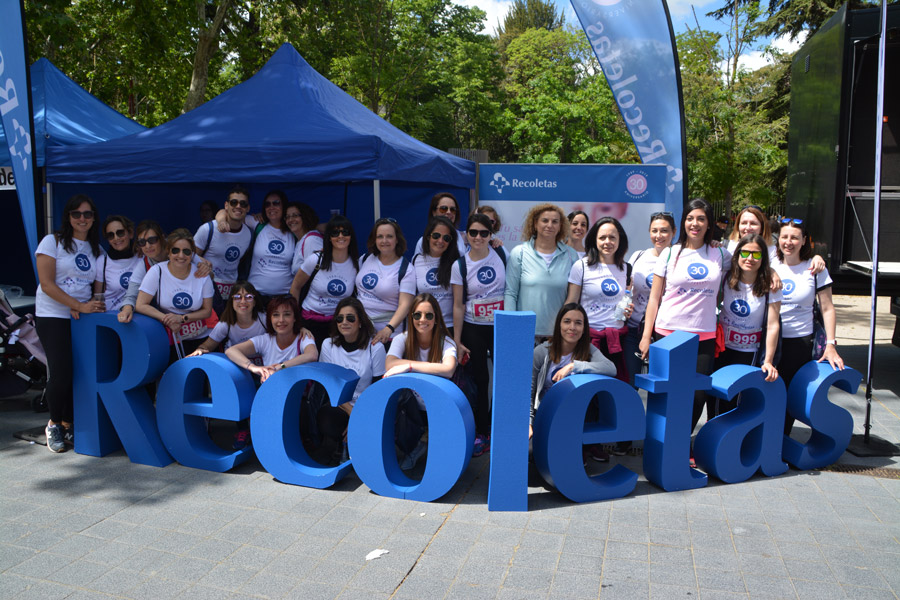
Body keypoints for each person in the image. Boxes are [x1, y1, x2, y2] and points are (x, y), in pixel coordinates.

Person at [639, 199, 730, 462]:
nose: (695, 223)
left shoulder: (720, 254)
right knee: (665, 394)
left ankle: (680, 442)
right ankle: (662, 443)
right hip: (667, 334)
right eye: (691, 218)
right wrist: (646, 336)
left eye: (701, 218)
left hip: (703, 335)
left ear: (709, 224)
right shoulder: (669, 253)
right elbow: (654, 298)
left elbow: (752, 263)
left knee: (697, 395)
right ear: (684, 222)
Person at [34, 194, 105, 452]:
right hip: (53, 315)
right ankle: (53, 423)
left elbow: (97, 291)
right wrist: (77, 305)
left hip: (82, 319)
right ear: (68, 217)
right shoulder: (51, 242)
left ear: (94, 218)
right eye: (77, 214)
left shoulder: (98, 250)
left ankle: (68, 422)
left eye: (87, 214)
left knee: (81, 374)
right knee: (61, 373)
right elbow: (47, 284)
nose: (82, 219)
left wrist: (91, 307)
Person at [774, 218, 844, 435]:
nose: (789, 242)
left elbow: (828, 308)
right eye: (784, 237)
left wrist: (830, 344)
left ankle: (780, 444)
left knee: (790, 395)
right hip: (769, 342)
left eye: (795, 237)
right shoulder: (769, 265)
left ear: (804, 240)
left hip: (800, 344)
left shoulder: (815, 269)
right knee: (768, 394)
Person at [531, 304, 616, 463]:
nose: (572, 327)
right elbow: (530, 390)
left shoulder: (588, 349)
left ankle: (584, 445)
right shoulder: (541, 352)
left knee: (590, 391)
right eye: (567, 321)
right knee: (534, 454)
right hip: (547, 413)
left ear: (584, 328)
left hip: (577, 413)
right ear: (559, 325)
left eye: (578, 323)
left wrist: (574, 366)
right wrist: (529, 422)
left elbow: (611, 368)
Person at [452, 213, 506, 457]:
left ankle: (501, 428)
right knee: (480, 380)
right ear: (466, 235)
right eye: (473, 232)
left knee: (504, 378)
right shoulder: (459, 265)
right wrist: (458, 340)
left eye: (484, 233)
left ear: (491, 234)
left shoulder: (502, 254)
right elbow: (458, 305)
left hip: (502, 325)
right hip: (474, 326)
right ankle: (482, 432)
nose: (478, 237)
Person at [385, 293, 458, 470]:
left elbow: (448, 369)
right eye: (417, 315)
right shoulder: (402, 338)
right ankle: (414, 447)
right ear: (411, 318)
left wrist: (409, 366)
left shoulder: (446, 342)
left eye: (429, 315)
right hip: (412, 407)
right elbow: (389, 363)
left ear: (436, 319)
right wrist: (426, 366)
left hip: (437, 406)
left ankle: (429, 446)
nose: (422, 320)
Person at [714, 234, 782, 416]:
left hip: (749, 352)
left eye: (756, 254)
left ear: (763, 259)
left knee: (737, 401)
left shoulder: (770, 285)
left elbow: (773, 325)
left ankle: (734, 442)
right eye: (745, 253)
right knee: (715, 398)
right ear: (737, 255)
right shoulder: (725, 277)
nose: (750, 258)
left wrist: (768, 360)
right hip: (722, 349)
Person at [316, 298, 386, 464]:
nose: (344, 322)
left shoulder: (375, 347)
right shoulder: (328, 345)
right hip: (340, 403)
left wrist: (361, 415)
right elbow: (329, 385)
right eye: (340, 319)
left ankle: (357, 448)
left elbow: (378, 389)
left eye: (350, 318)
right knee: (327, 416)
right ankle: (339, 445)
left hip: (367, 405)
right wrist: (352, 414)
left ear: (360, 322)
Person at [565, 217, 634, 382]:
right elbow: (571, 303)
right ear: (594, 240)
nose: (607, 242)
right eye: (602, 237)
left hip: (617, 341)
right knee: (587, 390)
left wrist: (627, 311)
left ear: (620, 240)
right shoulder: (581, 266)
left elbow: (625, 300)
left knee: (614, 390)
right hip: (587, 340)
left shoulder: (627, 268)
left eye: (612, 237)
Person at [136, 229, 215, 362]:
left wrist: (181, 318)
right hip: (170, 339)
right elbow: (140, 305)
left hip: (200, 338)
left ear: (193, 254)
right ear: (168, 251)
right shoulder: (157, 271)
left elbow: (207, 311)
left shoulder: (202, 275)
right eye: (175, 250)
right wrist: (167, 319)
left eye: (186, 251)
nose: (181, 255)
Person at [505, 203, 577, 339]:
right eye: (545, 220)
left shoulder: (571, 255)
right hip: (524, 332)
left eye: (555, 221)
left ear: (561, 226)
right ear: (535, 224)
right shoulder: (519, 253)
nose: (550, 225)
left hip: (558, 334)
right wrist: (511, 325)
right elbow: (510, 293)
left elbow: (573, 297)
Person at [623, 211, 676, 385]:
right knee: (630, 383)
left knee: (663, 385)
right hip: (634, 330)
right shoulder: (638, 256)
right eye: (654, 231)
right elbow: (627, 288)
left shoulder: (680, 258)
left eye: (664, 231)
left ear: (674, 232)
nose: (658, 236)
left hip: (664, 333)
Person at [290, 215, 359, 347]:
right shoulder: (315, 260)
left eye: (345, 232)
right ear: (328, 237)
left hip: (338, 325)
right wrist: (295, 320)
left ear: (351, 236)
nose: (340, 236)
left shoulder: (356, 264)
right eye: (335, 232)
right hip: (309, 323)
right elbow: (296, 287)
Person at [356, 218, 416, 345]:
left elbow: (405, 305)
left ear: (397, 239)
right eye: (380, 236)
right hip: (360, 330)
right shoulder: (365, 259)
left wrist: (388, 329)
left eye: (389, 236)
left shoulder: (406, 269)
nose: (384, 241)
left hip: (388, 335)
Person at [194, 185, 252, 303]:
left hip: (232, 294)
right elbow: (189, 256)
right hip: (206, 292)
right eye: (234, 202)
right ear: (226, 205)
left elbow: (239, 261)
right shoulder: (207, 229)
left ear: (248, 208)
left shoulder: (248, 233)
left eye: (243, 204)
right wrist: (203, 263)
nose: (238, 206)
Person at [245, 190, 297, 302]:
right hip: (256, 295)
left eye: (276, 203)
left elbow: (316, 227)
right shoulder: (258, 224)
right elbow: (231, 214)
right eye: (267, 204)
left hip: (283, 298)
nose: (271, 207)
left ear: (284, 206)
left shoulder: (294, 231)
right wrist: (221, 221)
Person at [413, 217, 460, 328]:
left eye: (446, 238)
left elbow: (460, 304)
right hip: (423, 325)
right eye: (436, 236)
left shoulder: (457, 263)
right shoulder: (417, 260)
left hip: (448, 326)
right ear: (428, 237)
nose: (440, 241)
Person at [99, 215, 141, 313]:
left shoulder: (142, 256)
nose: (116, 238)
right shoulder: (102, 261)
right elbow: (98, 297)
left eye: (120, 233)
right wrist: (78, 306)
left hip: (138, 318)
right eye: (110, 235)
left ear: (130, 233)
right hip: (111, 317)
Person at [287, 201, 323, 271]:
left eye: (295, 215)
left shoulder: (311, 240)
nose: (290, 220)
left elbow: (317, 271)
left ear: (305, 216)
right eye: (287, 217)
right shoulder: (301, 240)